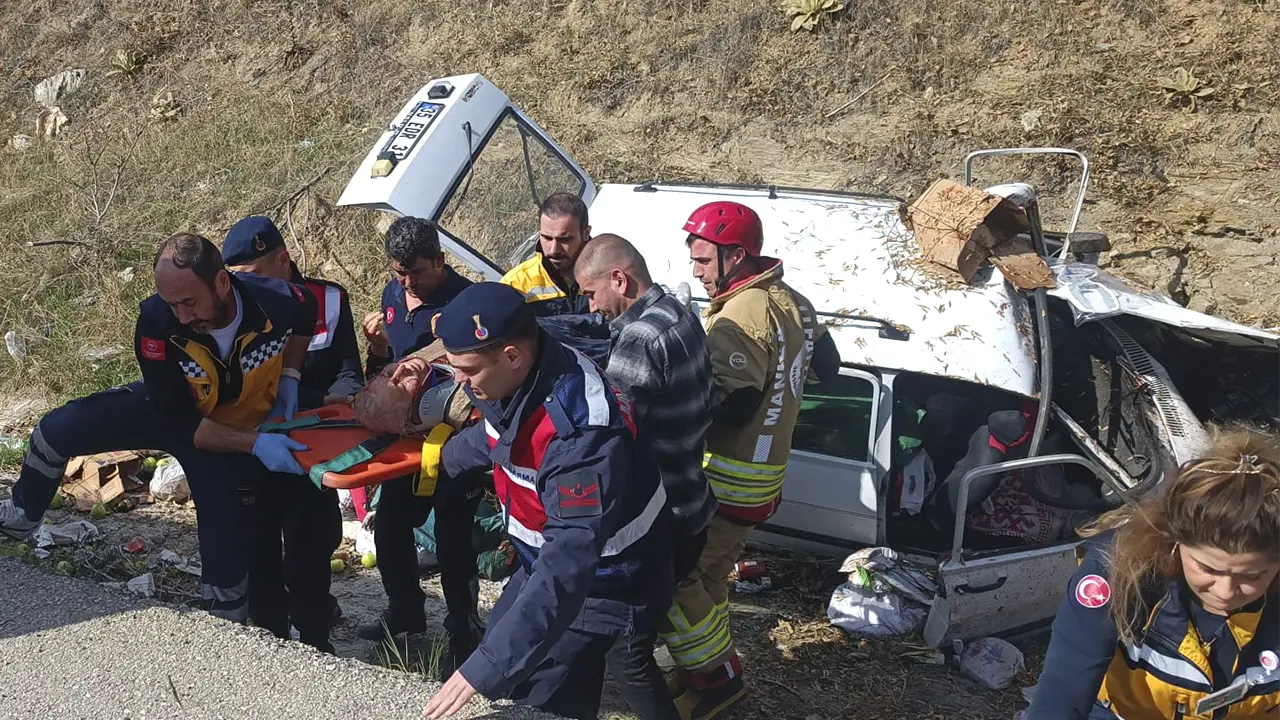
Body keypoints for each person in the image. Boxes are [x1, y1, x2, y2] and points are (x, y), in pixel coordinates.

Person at [0, 233, 316, 628]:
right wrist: (256, 444)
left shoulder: (278, 300)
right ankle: (20, 516)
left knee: (225, 569)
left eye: (189, 302)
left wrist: (289, 376)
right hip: (177, 414)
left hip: (224, 440)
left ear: (222, 282)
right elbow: (179, 422)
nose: (182, 316)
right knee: (55, 430)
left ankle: (231, 643)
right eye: (172, 304)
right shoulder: (155, 320)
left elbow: (308, 316)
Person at [422, 283, 674, 720]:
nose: (458, 381)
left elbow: (567, 565)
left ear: (512, 356)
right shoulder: (519, 375)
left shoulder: (581, 433)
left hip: (606, 585)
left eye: (466, 369)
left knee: (540, 696)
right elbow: (501, 434)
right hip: (545, 564)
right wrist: (437, 460)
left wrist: (481, 670)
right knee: (507, 659)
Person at [663, 201, 838, 720]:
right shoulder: (793, 299)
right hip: (765, 479)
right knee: (713, 575)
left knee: (677, 583)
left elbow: (733, 402)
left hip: (725, 479)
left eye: (702, 260)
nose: (694, 270)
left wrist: (671, 408)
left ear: (735, 255)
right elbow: (827, 367)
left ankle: (717, 682)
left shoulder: (740, 313)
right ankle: (707, 664)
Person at [1027, 429, 1280, 719]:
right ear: (1174, 541)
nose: (1224, 592)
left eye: (1251, 577)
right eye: (1207, 568)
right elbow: (1063, 690)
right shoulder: (1118, 571)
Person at [574, 234, 716, 720]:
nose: (591, 308)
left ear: (619, 278)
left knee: (627, 651)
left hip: (662, 517)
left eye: (592, 293)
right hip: (693, 498)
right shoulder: (680, 314)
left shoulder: (638, 339)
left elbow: (615, 433)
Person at [222, 215, 361, 650]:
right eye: (237, 279)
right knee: (258, 548)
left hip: (308, 448)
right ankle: (272, 643)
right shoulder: (234, 311)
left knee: (312, 547)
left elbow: (348, 375)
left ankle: (317, 639)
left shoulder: (328, 301)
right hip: (253, 448)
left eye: (254, 275)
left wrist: (315, 406)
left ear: (282, 259)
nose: (245, 287)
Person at [355, 216, 485, 674]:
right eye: (398, 273)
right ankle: (405, 612)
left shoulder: (467, 301)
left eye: (416, 272)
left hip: (456, 439)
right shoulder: (394, 295)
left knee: (453, 540)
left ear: (439, 261)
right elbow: (389, 364)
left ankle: (464, 631)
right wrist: (375, 348)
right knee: (391, 526)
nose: (407, 282)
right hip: (405, 441)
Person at [500, 192, 592, 316]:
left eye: (564, 240)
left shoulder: (611, 270)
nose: (553, 250)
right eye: (547, 238)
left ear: (586, 233)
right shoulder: (514, 285)